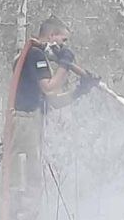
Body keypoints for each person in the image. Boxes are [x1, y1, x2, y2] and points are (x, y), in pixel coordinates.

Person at [11, 15, 96, 206]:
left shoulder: (35, 56)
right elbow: (49, 87)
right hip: (25, 123)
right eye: (63, 40)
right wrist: (64, 65)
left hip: (32, 121)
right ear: (51, 36)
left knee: (33, 179)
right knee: (25, 181)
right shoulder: (34, 55)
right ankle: (16, 218)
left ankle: (26, 218)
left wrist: (80, 91)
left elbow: (53, 101)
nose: (64, 45)